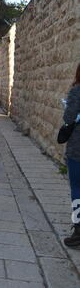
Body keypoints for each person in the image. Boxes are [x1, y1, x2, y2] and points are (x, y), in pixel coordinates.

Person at [63, 63, 80, 247]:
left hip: (78, 148)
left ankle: (79, 230)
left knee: (77, 188)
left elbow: (68, 118)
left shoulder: (77, 91)